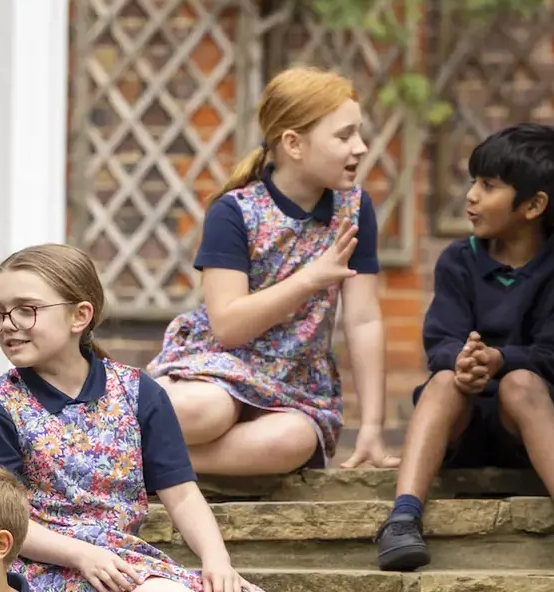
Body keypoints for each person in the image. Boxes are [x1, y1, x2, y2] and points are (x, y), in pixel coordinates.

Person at [0, 243, 287, 592]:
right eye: (0, 313)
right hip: (42, 571)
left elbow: (180, 492)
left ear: (80, 316)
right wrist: (81, 554)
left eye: (26, 310)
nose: (8, 324)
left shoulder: (138, 392)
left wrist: (217, 561)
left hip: (120, 570)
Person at [376, 124, 554, 573]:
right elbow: (439, 341)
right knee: (443, 380)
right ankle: (401, 518)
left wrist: (498, 360)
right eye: (474, 182)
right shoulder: (459, 259)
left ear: (533, 206)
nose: (471, 195)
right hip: (461, 422)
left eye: (488, 186)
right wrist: (463, 362)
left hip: (528, 426)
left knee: (521, 383)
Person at [147, 66, 396, 474]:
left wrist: (372, 425)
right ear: (294, 144)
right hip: (219, 368)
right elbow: (227, 326)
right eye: (344, 135)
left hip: (295, 385)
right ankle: (128, 439)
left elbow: (364, 319)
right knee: (204, 411)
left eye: (359, 133)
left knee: (292, 441)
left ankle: (155, 464)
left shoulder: (354, 210)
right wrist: (312, 278)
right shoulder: (235, 212)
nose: (362, 147)